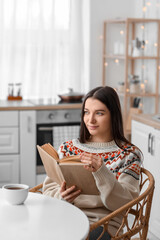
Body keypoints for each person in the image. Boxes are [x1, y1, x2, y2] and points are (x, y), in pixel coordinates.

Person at [43, 86, 143, 239]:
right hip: (65, 217)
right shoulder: (67, 148)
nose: (90, 120)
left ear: (113, 115)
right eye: (86, 112)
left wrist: (101, 171)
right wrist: (62, 196)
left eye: (99, 113)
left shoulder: (129, 155)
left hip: (103, 226)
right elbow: (48, 190)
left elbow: (125, 203)